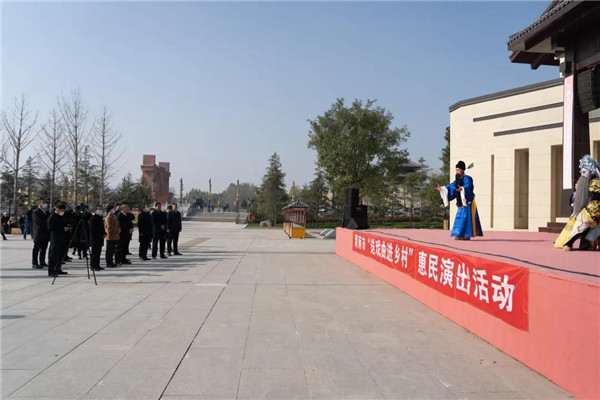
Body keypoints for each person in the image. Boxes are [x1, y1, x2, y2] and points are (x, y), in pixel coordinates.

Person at [555, 155, 600, 251]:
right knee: (583, 226)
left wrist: (590, 210)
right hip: (593, 209)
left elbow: (595, 196)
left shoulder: (595, 182)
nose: (583, 175)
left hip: (594, 209)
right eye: (582, 172)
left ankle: (570, 243)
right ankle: (583, 244)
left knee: (581, 226)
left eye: (584, 172)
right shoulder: (592, 181)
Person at [437, 161, 483, 240]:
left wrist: (462, 188)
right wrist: (442, 189)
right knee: (459, 219)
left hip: (467, 203)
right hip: (460, 203)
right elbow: (451, 186)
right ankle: (459, 234)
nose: (457, 171)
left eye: (458, 169)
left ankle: (466, 235)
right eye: (456, 169)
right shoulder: (457, 180)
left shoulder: (467, 178)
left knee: (467, 219)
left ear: (462, 170)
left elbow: (469, 186)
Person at [47, 203, 70, 276]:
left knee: (60, 255)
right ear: (57, 209)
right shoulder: (52, 217)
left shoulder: (61, 217)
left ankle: (58, 269)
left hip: (62, 238)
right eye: (61, 210)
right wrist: (62, 229)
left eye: (63, 210)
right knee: (53, 255)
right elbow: (50, 228)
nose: (62, 212)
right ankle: (51, 271)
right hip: (55, 239)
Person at [32, 199, 50, 269]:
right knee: (36, 248)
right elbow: (38, 222)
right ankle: (35, 263)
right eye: (43, 203)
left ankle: (42, 262)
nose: (45, 204)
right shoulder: (36, 212)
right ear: (39, 204)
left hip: (45, 233)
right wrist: (48, 225)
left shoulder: (46, 212)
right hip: (39, 233)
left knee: (43, 248)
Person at [88, 205, 105, 271]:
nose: (100, 211)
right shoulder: (93, 218)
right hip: (95, 238)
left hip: (100, 238)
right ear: (95, 210)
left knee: (98, 252)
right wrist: (100, 234)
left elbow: (101, 228)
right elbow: (93, 230)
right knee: (94, 252)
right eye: (99, 209)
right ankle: (93, 266)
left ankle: (97, 265)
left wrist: (104, 233)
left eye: (101, 209)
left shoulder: (99, 218)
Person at [104, 203, 120, 268]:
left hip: (115, 235)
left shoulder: (114, 216)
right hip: (110, 235)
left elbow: (117, 224)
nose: (114, 209)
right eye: (113, 208)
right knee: (109, 250)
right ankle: (109, 262)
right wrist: (116, 230)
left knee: (112, 249)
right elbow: (109, 227)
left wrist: (118, 229)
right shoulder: (109, 217)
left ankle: (111, 262)